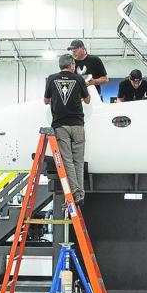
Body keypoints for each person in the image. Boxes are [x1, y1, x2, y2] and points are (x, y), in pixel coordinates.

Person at [44, 54, 91, 206]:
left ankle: (76, 192)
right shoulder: (79, 79)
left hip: (60, 125)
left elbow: (46, 101)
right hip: (78, 124)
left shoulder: (51, 78)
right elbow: (88, 99)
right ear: (72, 65)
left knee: (67, 160)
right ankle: (80, 194)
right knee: (78, 160)